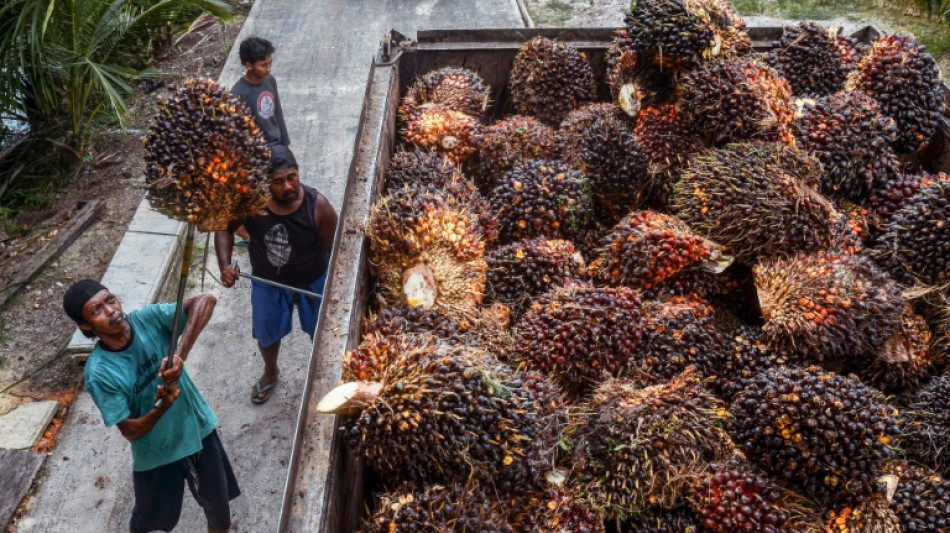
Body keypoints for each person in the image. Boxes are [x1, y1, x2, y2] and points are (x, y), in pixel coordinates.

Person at [62, 280, 240, 533]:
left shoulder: (147, 319)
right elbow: (131, 431)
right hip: (157, 454)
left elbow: (206, 301)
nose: (111, 310)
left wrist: (179, 355)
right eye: (96, 310)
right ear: (85, 325)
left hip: (197, 430)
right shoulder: (99, 373)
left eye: (110, 300)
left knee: (219, 512)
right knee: (147, 525)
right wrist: (162, 407)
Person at [215, 145, 337, 404]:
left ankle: (323, 375)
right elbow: (225, 228)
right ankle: (271, 371)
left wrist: (332, 287)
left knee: (323, 333)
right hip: (267, 281)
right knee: (266, 333)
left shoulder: (320, 208)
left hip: (312, 279)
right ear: (265, 183)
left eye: (292, 177)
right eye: (278, 182)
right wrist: (224, 265)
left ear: (298, 172)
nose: (288, 187)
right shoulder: (251, 204)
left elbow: (337, 253)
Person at [230, 36, 290, 148]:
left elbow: (277, 113)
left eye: (270, 63)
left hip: (277, 144)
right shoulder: (237, 94)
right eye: (263, 65)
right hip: (259, 150)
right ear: (249, 66)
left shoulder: (270, 80)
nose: (268, 68)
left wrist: (285, 144)